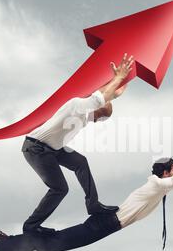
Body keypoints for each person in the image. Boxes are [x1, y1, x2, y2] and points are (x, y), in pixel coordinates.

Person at [0, 141, 173, 251]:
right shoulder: (157, 184)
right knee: (57, 243)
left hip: (108, 223)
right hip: (107, 223)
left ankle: (3, 243)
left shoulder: (157, 184)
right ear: (166, 171)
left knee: (59, 241)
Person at [20, 53, 134, 236]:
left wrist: (118, 85)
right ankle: (31, 227)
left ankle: (93, 205)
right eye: (98, 117)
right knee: (59, 188)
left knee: (80, 161)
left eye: (98, 119)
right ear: (95, 108)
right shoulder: (78, 105)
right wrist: (119, 76)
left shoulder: (87, 115)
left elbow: (106, 97)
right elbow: (100, 98)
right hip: (36, 148)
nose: (95, 120)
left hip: (53, 149)